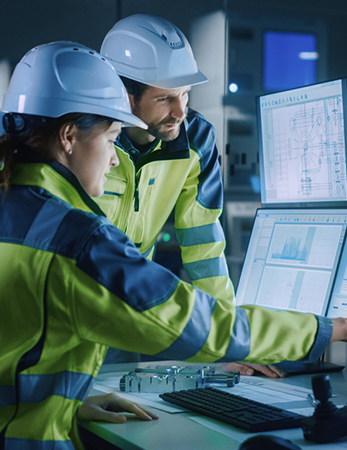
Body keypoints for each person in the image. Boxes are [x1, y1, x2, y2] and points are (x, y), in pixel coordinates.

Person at [0, 41, 347, 449]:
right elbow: (195, 322)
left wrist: (67, 404)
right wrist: (337, 328)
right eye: (111, 136)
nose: (114, 154)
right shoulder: (74, 241)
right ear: (72, 136)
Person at [97, 15, 286, 376]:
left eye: (185, 94)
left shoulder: (196, 140)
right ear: (124, 95)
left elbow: (203, 248)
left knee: (112, 410)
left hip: (123, 316)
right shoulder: (88, 139)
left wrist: (229, 342)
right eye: (166, 98)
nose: (180, 112)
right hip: (65, 308)